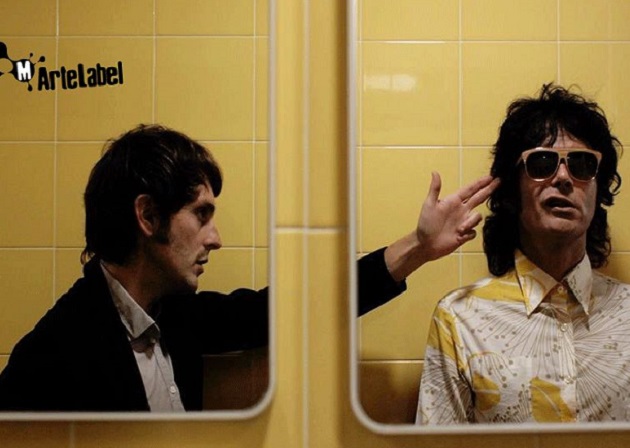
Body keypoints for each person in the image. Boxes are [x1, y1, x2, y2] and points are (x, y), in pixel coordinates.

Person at [0, 124, 497, 412]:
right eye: (201, 215)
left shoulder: (174, 317)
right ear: (148, 217)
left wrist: (419, 247)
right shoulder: (51, 355)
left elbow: (287, 310)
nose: (215, 238)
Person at [416, 84, 629, 425]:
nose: (563, 177)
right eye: (542, 162)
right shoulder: (460, 320)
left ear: (598, 187)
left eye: (582, 164)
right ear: (513, 189)